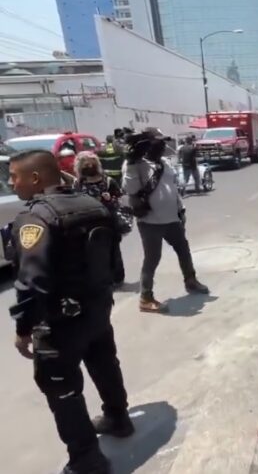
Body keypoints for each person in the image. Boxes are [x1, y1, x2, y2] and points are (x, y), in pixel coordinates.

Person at [8, 150, 133, 474]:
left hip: (61, 321)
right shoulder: (94, 206)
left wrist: (23, 330)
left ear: (35, 177)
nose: (11, 182)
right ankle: (119, 419)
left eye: (14, 176)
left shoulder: (35, 218)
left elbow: (31, 283)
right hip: (98, 307)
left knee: (60, 385)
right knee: (104, 363)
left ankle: (87, 459)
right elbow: (116, 264)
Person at [123, 129, 209, 313]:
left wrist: (181, 209)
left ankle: (191, 281)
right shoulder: (135, 164)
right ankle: (146, 298)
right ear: (147, 145)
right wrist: (131, 164)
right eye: (158, 143)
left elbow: (173, 188)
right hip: (150, 221)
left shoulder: (164, 163)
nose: (162, 146)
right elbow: (130, 189)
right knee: (152, 259)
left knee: (183, 249)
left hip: (172, 219)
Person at [73, 151, 126, 286]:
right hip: (88, 223)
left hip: (109, 221)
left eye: (92, 163)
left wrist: (110, 199)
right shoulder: (78, 184)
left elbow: (121, 199)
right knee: (94, 253)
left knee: (114, 251)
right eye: (85, 164)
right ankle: (102, 279)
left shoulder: (107, 180)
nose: (89, 166)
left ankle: (117, 278)